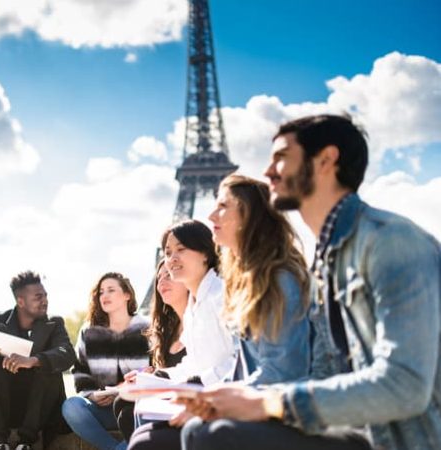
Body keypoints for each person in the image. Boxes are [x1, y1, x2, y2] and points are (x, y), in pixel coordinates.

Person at [180, 114, 441, 450]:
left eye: (281, 157)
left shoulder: (391, 243)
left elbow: (404, 386)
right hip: (357, 430)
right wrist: (237, 398)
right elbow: (323, 373)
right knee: (204, 430)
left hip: (402, 441)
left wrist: (267, 403)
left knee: (210, 436)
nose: (268, 171)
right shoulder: (328, 258)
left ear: (326, 160)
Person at [127, 220, 237, 450]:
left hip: (226, 401)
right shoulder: (193, 306)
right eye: (168, 252)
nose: (172, 258)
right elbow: (193, 363)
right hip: (205, 395)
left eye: (181, 249)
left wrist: (198, 382)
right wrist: (159, 376)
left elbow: (241, 359)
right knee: (142, 420)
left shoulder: (221, 297)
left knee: (143, 440)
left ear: (206, 254)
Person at [209, 173, 311, 386]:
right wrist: (205, 396)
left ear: (249, 216)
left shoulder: (280, 282)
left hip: (281, 408)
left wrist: (216, 400)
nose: (211, 215)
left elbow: (282, 373)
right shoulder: (245, 282)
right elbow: (243, 369)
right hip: (255, 400)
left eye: (222, 206)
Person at [0, 271, 77, 450]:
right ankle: (0, 442)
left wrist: (34, 360)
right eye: (38, 297)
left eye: (45, 296)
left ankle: (26, 444)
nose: (45, 300)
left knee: (47, 366)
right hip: (1, 408)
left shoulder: (54, 323)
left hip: (38, 410)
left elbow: (67, 354)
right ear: (21, 301)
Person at [62, 272, 150, 450]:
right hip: (104, 409)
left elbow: (157, 369)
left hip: (137, 409)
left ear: (127, 295)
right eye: (101, 292)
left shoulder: (147, 328)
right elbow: (80, 371)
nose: (105, 295)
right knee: (71, 406)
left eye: (111, 290)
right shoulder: (89, 331)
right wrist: (92, 395)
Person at [114, 261, 190, 441]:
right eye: (159, 277)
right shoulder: (166, 329)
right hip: (167, 394)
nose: (162, 281)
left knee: (133, 407)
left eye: (169, 274)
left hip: (186, 397)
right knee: (123, 403)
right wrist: (147, 373)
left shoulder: (201, 320)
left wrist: (157, 376)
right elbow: (163, 371)